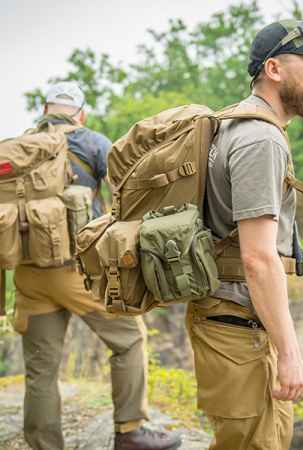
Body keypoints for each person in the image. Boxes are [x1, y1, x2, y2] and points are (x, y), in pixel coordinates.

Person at [186, 20, 303, 450]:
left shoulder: (234, 124)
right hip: (240, 325)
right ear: (274, 69)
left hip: (232, 318)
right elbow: (258, 258)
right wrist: (290, 353)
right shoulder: (261, 139)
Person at [12, 82, 181, 450]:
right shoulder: (92, 142)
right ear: (81, 114)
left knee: (41, 370)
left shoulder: (19, 146)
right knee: (129, 339)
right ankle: (131, 430)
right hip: (77, 271)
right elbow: (128, 193)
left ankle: (44, 446)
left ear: (45, 110)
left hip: (27, 272)